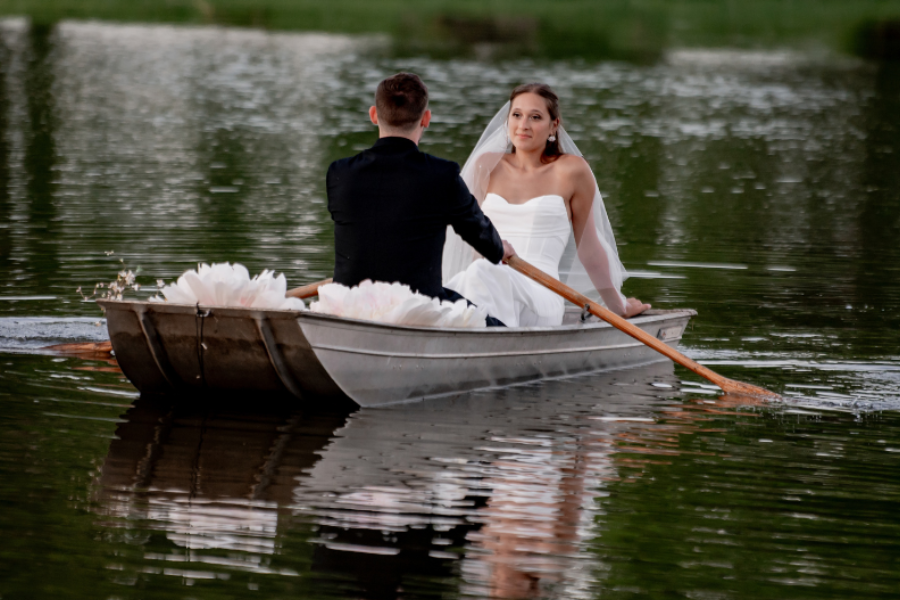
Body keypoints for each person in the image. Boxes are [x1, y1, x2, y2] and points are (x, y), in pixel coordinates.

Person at [443, 83, 650, 327]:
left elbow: (590, 249)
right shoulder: (486, 165)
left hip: (540, 293)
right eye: (517, 115)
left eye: (535, 117)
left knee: (480, 275)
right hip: (485, 282)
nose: (523, 125)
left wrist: (619, 306)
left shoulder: (572, 170)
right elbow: (475, 241)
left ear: (554, 125)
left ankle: (474, 331)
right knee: (469, 278)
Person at [326, 72, 515, 326]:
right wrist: (498, 248)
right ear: (426, 118)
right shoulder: (441, 174)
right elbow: (477, 230)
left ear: (373, 115)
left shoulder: (339, 172)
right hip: (418, 305)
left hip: (348, 301)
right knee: (497, 328)